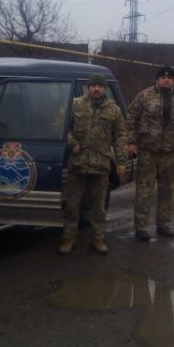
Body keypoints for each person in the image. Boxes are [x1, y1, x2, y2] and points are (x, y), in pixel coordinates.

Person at [127, 65, 174, 242]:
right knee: (144, 191)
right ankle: (141, 227)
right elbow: (131, 119)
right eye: (162, 77)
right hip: (148, 152)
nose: (166, 79)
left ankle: (163, 224)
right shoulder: (145, 96)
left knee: (167, 191)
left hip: (170, 153)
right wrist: (131, 142)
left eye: (169, 77)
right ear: (157, 79)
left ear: (173, 80)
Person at [60, 73, 127, 255]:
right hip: (78, 164)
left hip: (101, 165)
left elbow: (120, 135)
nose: (97, 88)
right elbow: (61, 125)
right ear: (88, 88)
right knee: (73, 205)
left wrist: (121, 161)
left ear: (105, 89)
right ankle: (68, 239)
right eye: (93, 85)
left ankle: (98, 239)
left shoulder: (114, 110)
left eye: (100, 86)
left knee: (99, 207)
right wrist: (72, 142)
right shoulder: (75, 105)